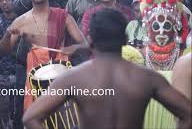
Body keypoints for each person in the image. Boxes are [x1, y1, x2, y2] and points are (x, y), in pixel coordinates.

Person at [22, 9, 192, 129]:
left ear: (90, 40)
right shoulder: (148, 78)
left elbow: (31, 118)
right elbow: (188, 114)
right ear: (125, 39)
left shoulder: (73, 78)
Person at [0, 0, 87, 112]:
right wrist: (8, 34)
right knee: (37, 117)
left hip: (61, 75)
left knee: (64, 118)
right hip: (36, 78)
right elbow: (4, 51)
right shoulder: (21, 21)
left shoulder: (63, 16)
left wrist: (73, 48)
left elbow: (84, 45)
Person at [0, 0, 26, 129]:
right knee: (3, 112)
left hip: (21, 70)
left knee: (21, 109)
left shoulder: (25, 19)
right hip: (1, 72)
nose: (4, 2)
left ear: (15, 1)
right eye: (1, 0)